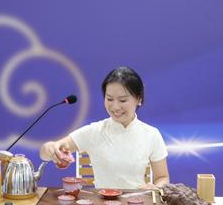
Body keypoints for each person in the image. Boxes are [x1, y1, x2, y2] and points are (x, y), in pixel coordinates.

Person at [40, 67, 169, 190]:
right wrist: (50, 148)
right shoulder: (94, 131)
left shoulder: (151, 134)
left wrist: (156, 188)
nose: (115, 106)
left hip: (137, 203)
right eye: (109, 99)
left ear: (139, 99)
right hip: (102, 203)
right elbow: (45, 153)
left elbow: (162, 178)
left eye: (122, 100)